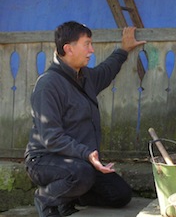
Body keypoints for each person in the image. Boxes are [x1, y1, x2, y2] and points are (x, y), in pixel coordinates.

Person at [24, 21, 146, 217]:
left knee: (120, 194)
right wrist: (87, 154)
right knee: (82, 174)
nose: (91, 50)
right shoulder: (47, 85)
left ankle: (68, 198)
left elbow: (106, 71)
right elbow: (51, 137)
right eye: (87, 44)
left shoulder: (84, 76)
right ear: (68, 49)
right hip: (45, 159)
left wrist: (124, 50)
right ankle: (46, 198)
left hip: (80, 159)